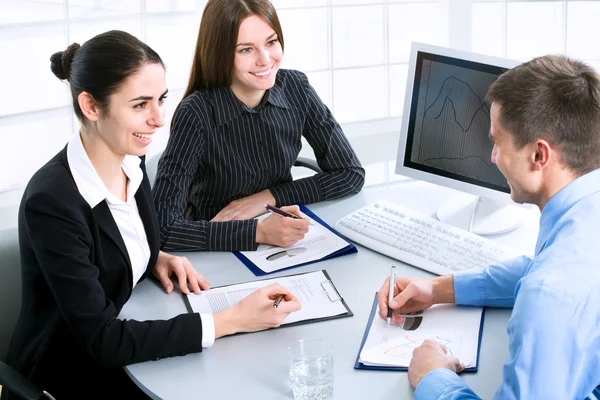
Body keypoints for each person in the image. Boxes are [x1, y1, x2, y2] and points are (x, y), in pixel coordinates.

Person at [1, 30, 300, 400]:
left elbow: (109, 245)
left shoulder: (130, 160)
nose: (159, 119)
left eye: (161, 99)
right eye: (140, 104)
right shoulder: (52, 202)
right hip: (70, 375)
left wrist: (153, 256)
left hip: (126, 349)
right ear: (92, 107)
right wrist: (231, 320)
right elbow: (102, 340)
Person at [377, 55, 600, 399]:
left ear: (540, 156)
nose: (493, 157)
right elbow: (537, 268)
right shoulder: (584, 211)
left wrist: (433, 377)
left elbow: (550, 288)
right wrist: (438, 290)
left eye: (498, 142)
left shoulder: (551, 294)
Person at [152, 0, 365, 252]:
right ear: (220, 54)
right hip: (217, 246)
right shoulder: (197, 112)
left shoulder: (296, 87)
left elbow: (351, 173)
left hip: (283, 235)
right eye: (245, 50)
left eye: (271, 42)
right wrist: (258, 232)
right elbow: (162, 229)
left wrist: (267, 198)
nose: (265, 60)